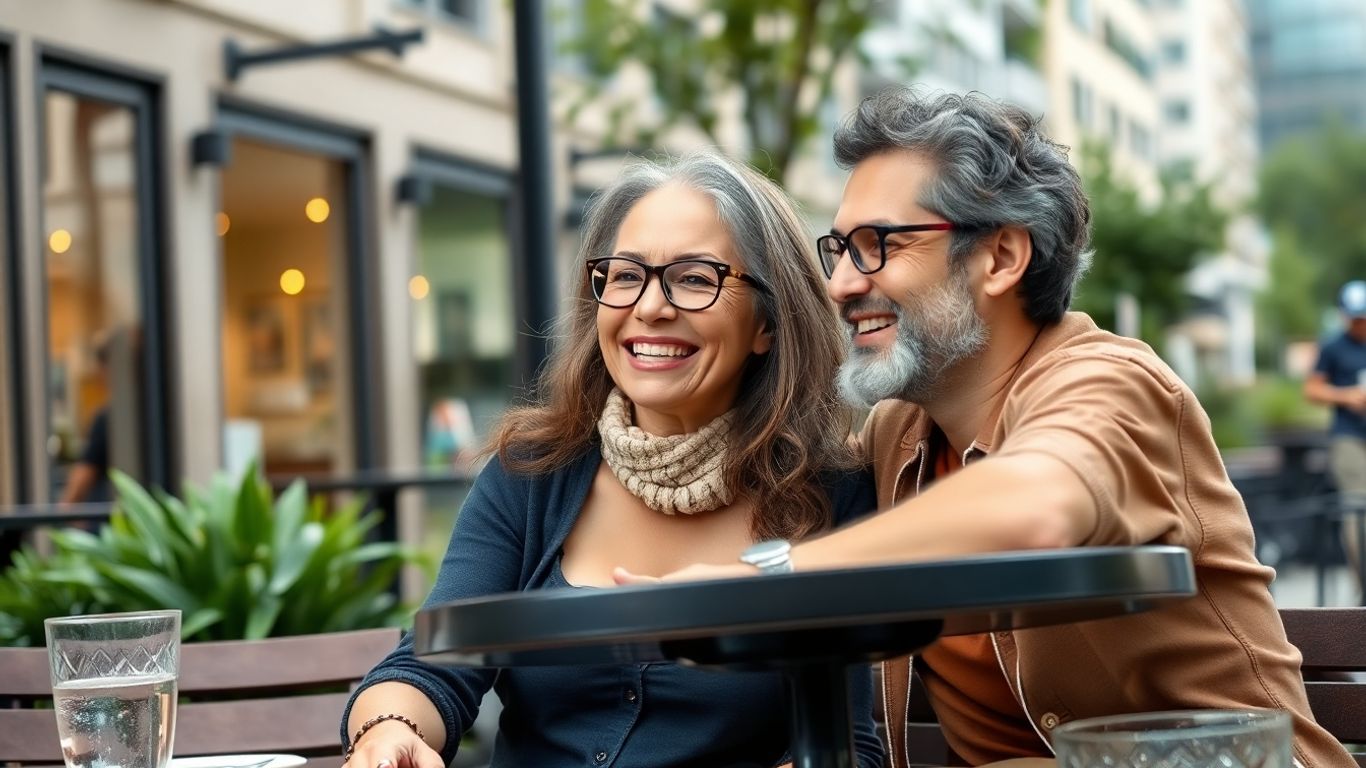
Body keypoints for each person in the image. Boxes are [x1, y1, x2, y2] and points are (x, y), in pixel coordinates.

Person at [621, 90, 1352, 768]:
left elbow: (1034, 506)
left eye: (880, 244)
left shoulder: (1109, 383)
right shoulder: (896, 435)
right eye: (839, 249)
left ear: (1000, 256)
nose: (843, 282)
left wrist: (765, 580)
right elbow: (762, 477)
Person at [341, 151, 884, 768]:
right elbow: (430, 665)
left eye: (695, 277)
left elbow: (852, 743)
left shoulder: (832, 490)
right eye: (624, 275)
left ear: (767, 322)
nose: (649, 307)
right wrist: (389, 730)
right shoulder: (533, 472)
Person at [1304, 279, 1366, 599]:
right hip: (1350, 437)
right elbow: (1311, 389)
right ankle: (1363, 586)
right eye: (1355, 317)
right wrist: (1346, 397)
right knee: (1358, 508)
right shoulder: (1333, 347)